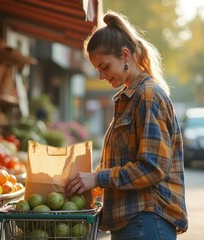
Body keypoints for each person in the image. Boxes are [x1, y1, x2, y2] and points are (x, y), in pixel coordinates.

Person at [65, 10, 188, 239]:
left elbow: (153, 167)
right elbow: (126, 162)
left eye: (104, 66)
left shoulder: (148, 96)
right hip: (134, 221)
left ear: (124, 56)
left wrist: (97, 178)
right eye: (97, 70)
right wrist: (91, 183)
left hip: (146, 220)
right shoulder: (131, 98)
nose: (101, 76)